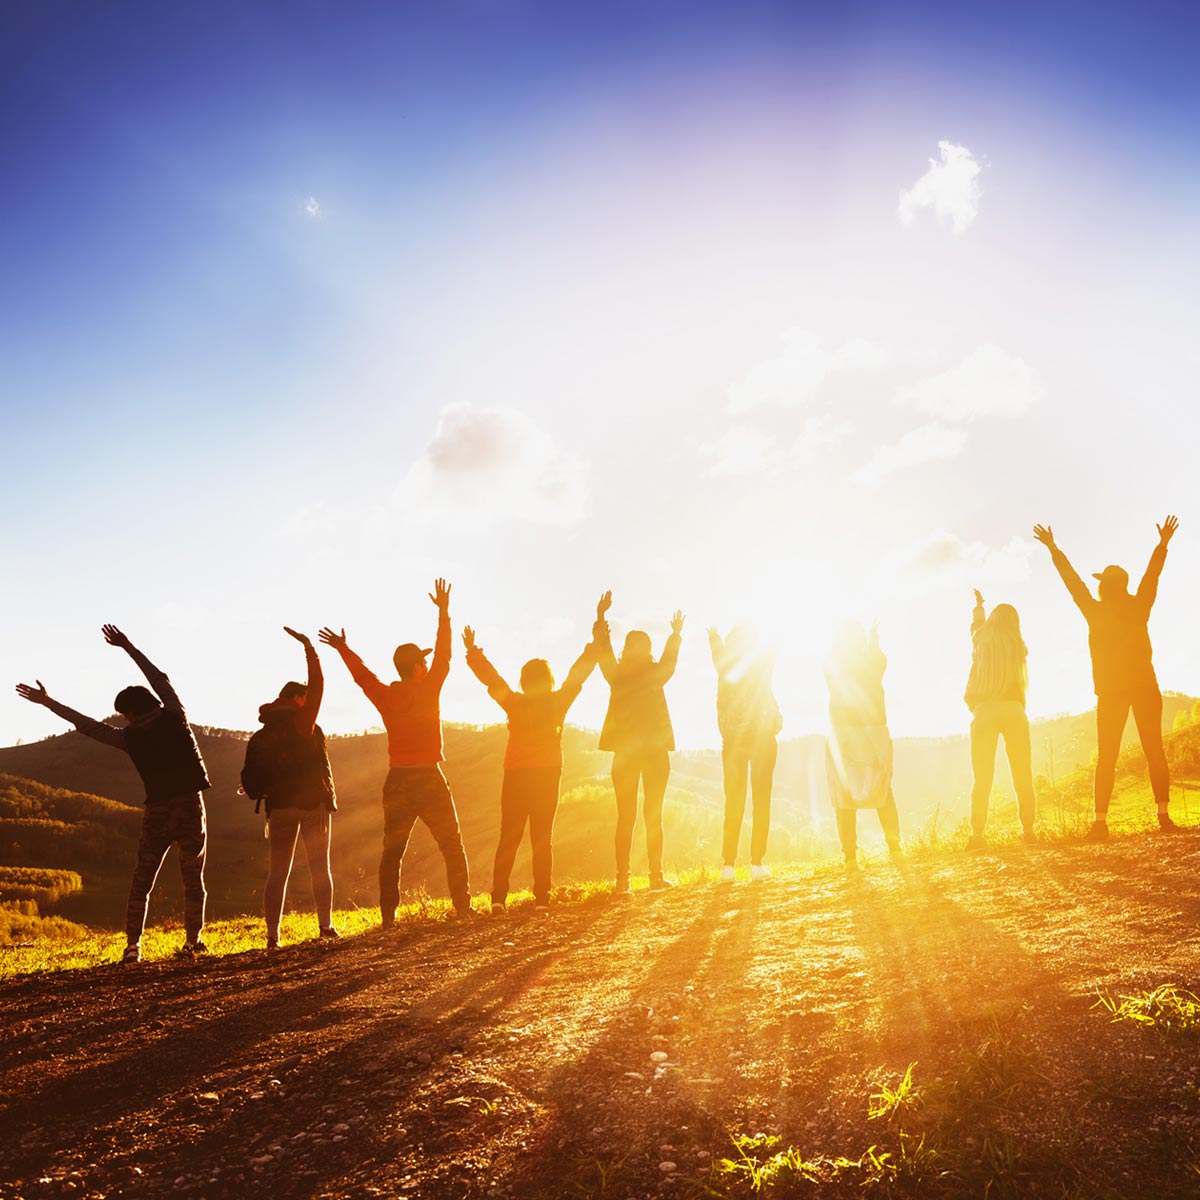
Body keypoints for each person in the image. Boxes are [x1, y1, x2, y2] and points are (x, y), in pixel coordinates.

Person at [15, 625, 210, 963]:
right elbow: (159, 677)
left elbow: (87, 726)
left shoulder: (129, 738)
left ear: (130, 713)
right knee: (193, 878)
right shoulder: (177, 716)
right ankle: (194, 942)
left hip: (158, 812)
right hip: (191, 805)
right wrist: (128, 647)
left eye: (124, 715)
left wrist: (48, 703)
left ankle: (133, 947)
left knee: (142, 881)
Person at [318, 579, 473, 924]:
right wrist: (444, 612)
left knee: (392, 852)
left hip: (398, 779)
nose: (427, 665)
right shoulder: (429, 688)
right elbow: (445, 652)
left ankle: (388, 918)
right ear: (418, 667)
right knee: (452, 844)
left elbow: (362, 676)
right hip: (429, 776)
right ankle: (462, 907)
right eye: (423, 661)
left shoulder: (387, 696)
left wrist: (343, 649)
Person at [1034, 517, 1180, 839]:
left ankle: (1100, 823)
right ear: (1124, 586)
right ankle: (1164, 816)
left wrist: (1054, 549)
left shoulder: (1095, 611)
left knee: (1107, 755)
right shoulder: (1139, 606)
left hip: (1112, 691)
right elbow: (1151, 577)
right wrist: (1162, 545)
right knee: (1153, 748)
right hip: (1144, 685)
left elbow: (1073, 583)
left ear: (1105, 586)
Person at [462, 622, 597, 915]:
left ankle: (498, 899)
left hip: (516, 775)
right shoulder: (558, 701)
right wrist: (595, 641)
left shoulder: (514, 703)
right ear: (549, 680)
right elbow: (577, 675)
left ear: (524, 682)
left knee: (508, 836)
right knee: (542, 838)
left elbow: (493, 681)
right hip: (548, 774)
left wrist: (472, 652)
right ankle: (542, 900)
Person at [241, 627, 338, 949]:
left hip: (279, 807)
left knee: (277, 873)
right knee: (318, 868)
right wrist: (310, 650)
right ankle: (325, 927)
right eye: (306, 698)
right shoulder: (303, 722)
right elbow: (321, 686)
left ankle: (273, 936)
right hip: (313, 806)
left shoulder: (261, 734)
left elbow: (250, 778)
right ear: (299, 699)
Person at [592, 591, 684, 894]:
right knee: (651, 815)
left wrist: (601, 620)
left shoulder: (617, 675)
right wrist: (675, 635)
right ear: (646, 650)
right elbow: (670, 662)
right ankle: (655, 877)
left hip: (627, 755)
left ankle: (623, 880)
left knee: (626, 816)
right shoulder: (655, 674)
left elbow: (604, 652)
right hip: (654, 754)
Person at [824, 621, 902, 872]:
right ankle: (895, 849)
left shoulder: (834, 666)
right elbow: (879, 660)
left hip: (844, 733)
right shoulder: (872, 664)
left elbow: (827, 664)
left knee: (844, 795)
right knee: (882, 788)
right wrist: (873, 640)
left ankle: (850, 858)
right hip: (873, 730)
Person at [708, 623, 782, 882]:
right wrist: (775, 632)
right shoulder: (761, 664)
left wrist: (714, 636)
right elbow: (773, 648)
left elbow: (717, 651)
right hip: (762, 738)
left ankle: (728, 866)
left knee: (734, 801)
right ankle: (756, 865)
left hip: (733, 740)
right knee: (761, 802)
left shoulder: (725, 666)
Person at [964, 591, 1036, 848]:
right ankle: (1028, 830)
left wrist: (979, 609)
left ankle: (978, 835)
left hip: (984, 712)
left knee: (981, 776)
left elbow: (976, 629)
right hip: (1014, 710)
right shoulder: (1018, 646)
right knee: (1022, 772)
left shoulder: (982, 639)